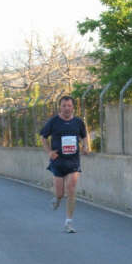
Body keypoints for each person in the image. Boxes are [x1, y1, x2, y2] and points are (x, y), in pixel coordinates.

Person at [40, 95, 90, 233]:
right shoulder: (54, 122)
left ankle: (69, 222)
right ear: (60, 107)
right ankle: (57, 198)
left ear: (73, 107)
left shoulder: (78, 122)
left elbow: (84, 136)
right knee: (60, 193)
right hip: (58, 161)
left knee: (72, 189)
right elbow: (43, 137)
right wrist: (49, 152)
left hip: (73, 161)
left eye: (69, 106)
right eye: (64, 106)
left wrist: (86, 147)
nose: (67, 108)